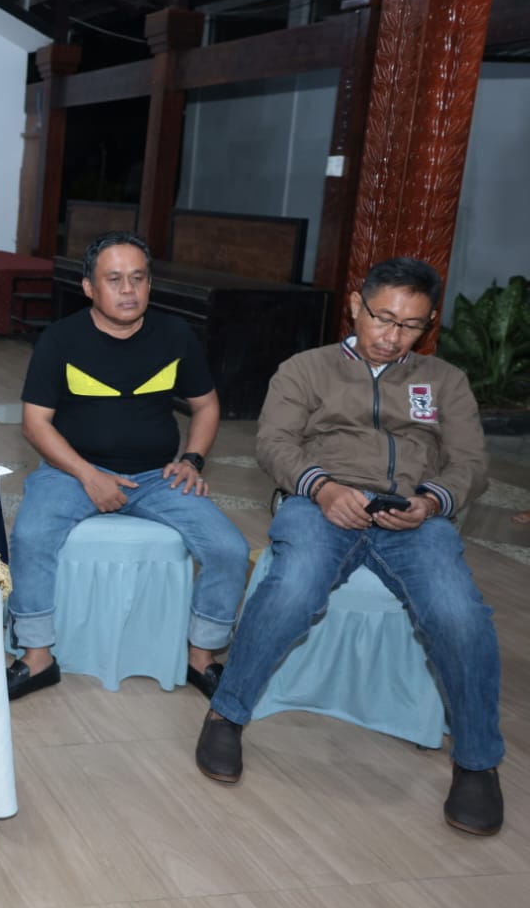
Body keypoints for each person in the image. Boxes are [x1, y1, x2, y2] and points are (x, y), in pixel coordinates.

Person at [195, 257, 503, 836]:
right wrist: (322, 488)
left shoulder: (444, 382)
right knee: (293, 590)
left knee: (459, 614)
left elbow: (470, 463)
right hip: (321, 504)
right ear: (357, 306)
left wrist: (430, 502)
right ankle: (226, 716)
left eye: (410, 325)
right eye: (383, 317)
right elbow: (274, 443)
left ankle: (477, 762)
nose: (392, 335)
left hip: (410, 515)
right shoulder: (306, 369)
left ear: (428, 324)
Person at [5, 232, 249, 701]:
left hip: (157, 476)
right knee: (31, 536)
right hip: (70, 471)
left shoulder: (175, 335)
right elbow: (35, 424)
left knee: (229, 548)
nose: (128, 290)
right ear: (89, 288)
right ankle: (37, 656)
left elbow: (206, 405)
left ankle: (201, 656)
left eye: (138, 278)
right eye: (114, 279)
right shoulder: (60, 339)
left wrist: (192, 460)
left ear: (150, 285)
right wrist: (88, 475)